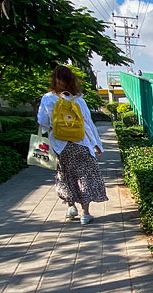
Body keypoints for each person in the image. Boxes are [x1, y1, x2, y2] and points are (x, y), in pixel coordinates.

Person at [37, 65, 108, 225]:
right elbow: (88, 124)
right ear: (72, 81)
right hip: (81, 143)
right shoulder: (78, 99)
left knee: (65, 176)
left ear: (54, 80)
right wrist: (97, 144)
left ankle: (71, 207)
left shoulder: (47, 98)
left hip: (60, 146)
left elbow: (42, 122)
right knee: (85, 177)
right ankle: (85, 213)